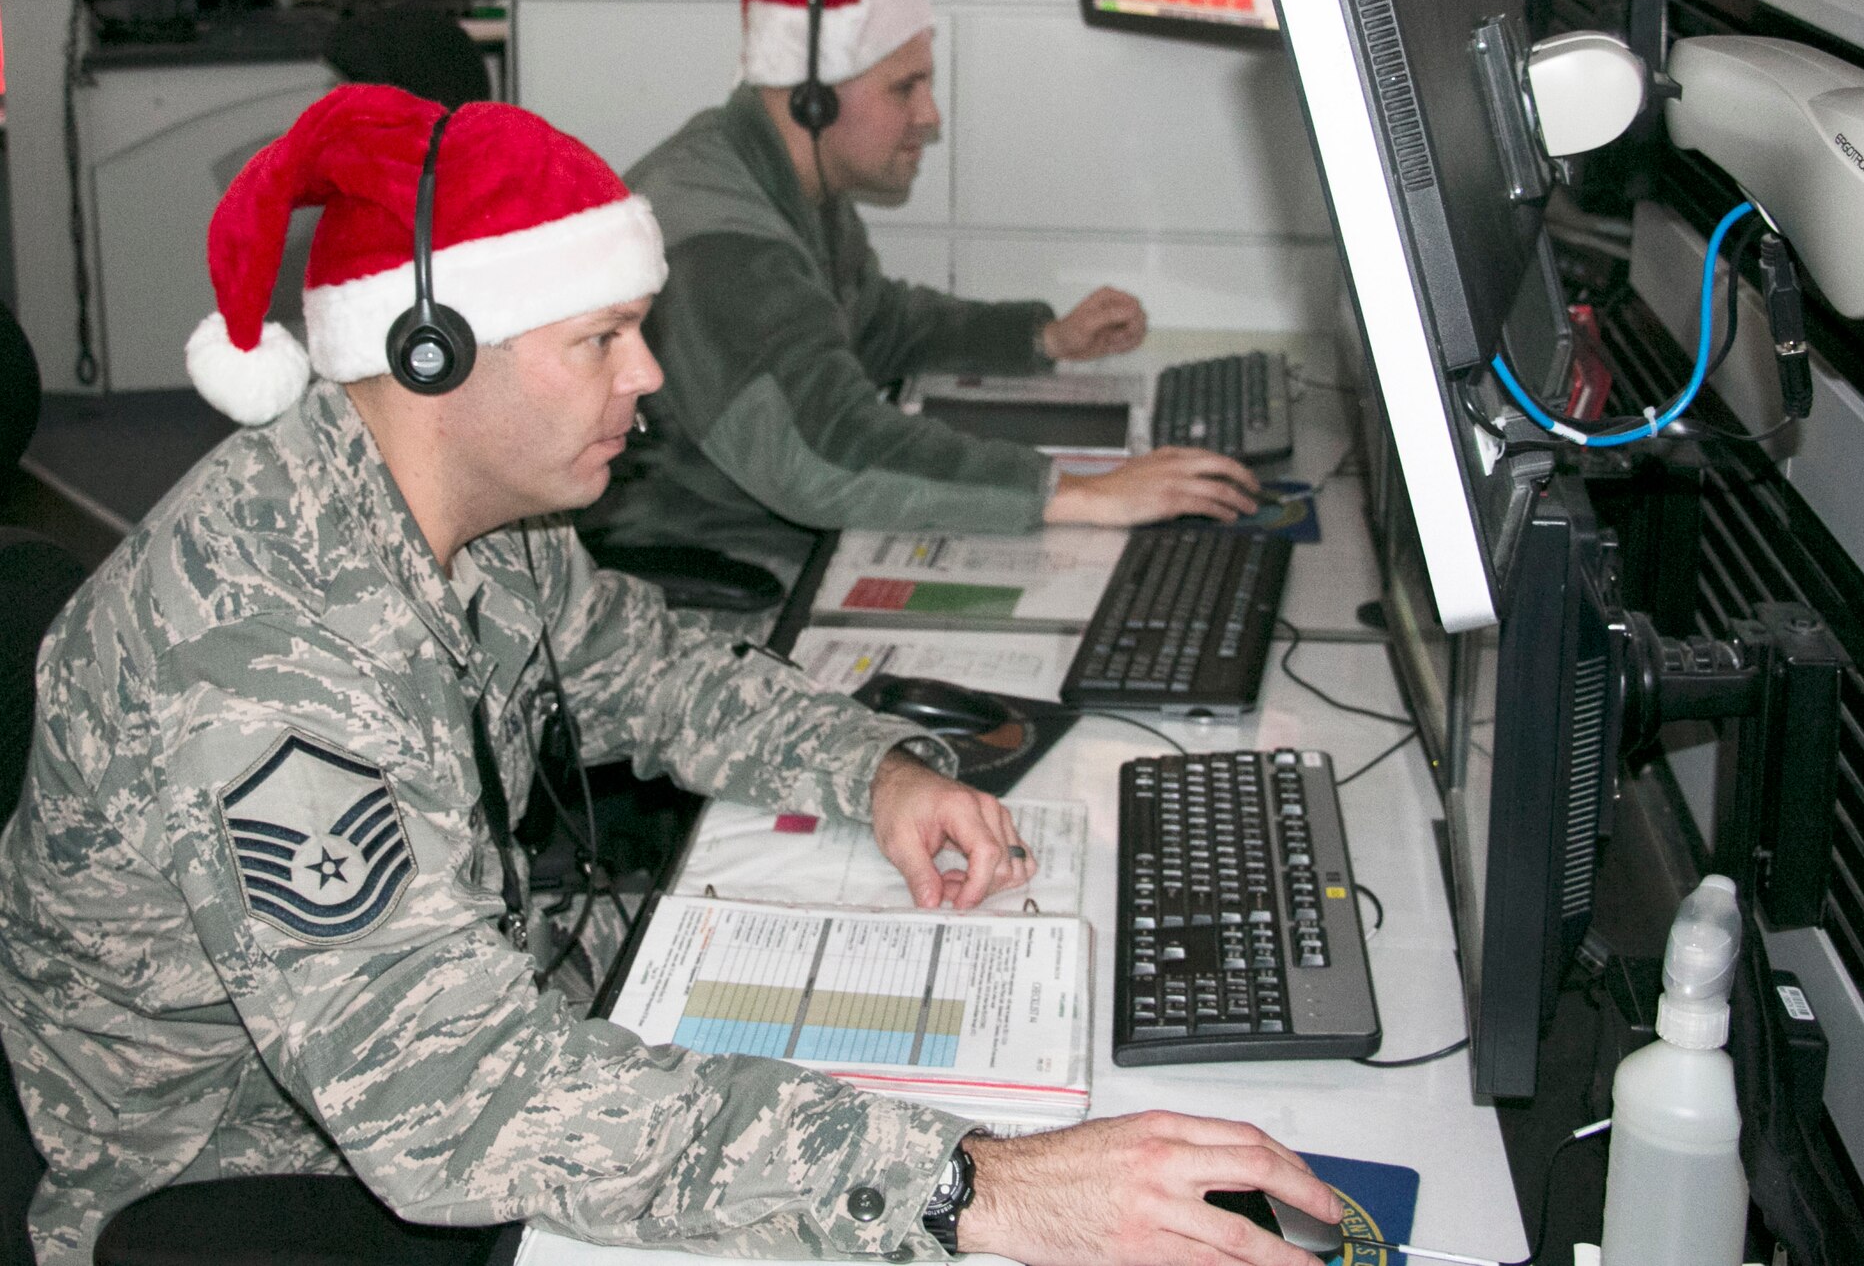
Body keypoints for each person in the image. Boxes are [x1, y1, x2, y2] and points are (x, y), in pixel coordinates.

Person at [0, 86, 1341, 1266]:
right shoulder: (266, 658)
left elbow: (643, 665)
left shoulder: (482, 507)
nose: (647, 375)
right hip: (248, 1177)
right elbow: (455, 1102)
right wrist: (962, 1184)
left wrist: (869, 767)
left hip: (439, 1037)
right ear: (432, 352)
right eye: (602, 340)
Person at [579, 0, 1262, 576]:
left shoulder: (780, 180)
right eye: (904, 88)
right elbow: (825, 448)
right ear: (811, 99)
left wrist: (1042, 336)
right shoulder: (724, 243)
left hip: (748, 529)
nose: (930, 115)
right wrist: (1078, 493)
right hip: (700, 562)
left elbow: (872, 323)